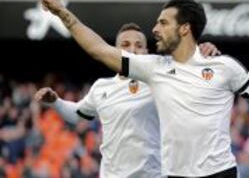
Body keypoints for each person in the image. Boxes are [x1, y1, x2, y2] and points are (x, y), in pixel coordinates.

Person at [37, 0, 249, 178]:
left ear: (184, 29)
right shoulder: (153, 68)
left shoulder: (223, 67)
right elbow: (99, 49)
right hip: (172, 175)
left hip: (218, 173)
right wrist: (63, 13)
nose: (155, 28)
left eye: (163, 22)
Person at [34, 22, 220, 178]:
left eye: (139, 46)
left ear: (147, 51)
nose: (132, 49)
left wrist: (204, 56)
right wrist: (55, 102)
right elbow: (76, 114)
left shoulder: (160, 79)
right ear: (115, 51)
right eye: (125, 44)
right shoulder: (101, 88)